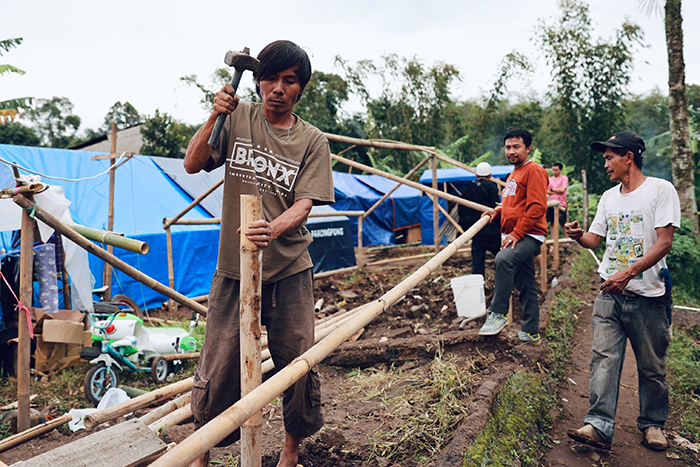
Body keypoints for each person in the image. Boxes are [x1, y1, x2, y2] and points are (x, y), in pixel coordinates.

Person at [183, 40, 334, 467]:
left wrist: (274, 227)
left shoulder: (312, 141)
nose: (278, 88)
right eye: (270, 78)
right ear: (257, 81)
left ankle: (290, 450)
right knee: (216, 364)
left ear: (300, 88)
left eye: (289, 80)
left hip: (288, 268)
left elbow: (304, 204)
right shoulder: (237, 117)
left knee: (297, 362)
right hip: (233, 268)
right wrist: (215, 113)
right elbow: (193, 164)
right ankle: (202, 451)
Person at [565, 130, 680, 452]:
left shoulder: (660, 190)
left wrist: (628, 274)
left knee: (651, 366)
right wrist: (577, 235)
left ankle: (653, 423)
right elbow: (595, 240)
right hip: (609, 293)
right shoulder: (608, 197)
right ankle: (599, 424)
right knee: (603, 359)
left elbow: (664, 242)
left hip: (649, 295)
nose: (606, 164)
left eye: (609, 157)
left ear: (629, 157)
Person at [478, 129, 548, 344]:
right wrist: (496, 212)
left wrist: (517, 233)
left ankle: (498, 314)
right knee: (526, 283)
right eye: (508, 147)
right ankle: (530, 331)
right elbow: (513, 205)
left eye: (516, 147)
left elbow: (537, 207)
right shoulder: (513, 174)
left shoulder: (534, 170)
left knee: (503, 259)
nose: (511, 151)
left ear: (528, 148)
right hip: (515, 233)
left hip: (530, 234)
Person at [458, 161, 501, 276]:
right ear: (490, 175)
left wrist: (466, 227)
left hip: (476, 232)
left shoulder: (469, 188)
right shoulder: (492, 186)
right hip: (492, 231)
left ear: (476, 175)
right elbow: (496, 206)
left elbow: (461, 208)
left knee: (477, 263)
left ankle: (479, 288)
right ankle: (506, 283)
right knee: (502, 258)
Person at [546, 162, 568, 237]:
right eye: (553, 170)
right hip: (551, 203)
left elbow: (562, 190)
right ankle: (553, 241)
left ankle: (567, 240)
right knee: (552, 222)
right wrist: (556, 190)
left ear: (560, 170)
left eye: (556, 170)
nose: (554, 172)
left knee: (563, 223)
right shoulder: (549, 179)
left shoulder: (564, 178)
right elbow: (546, 190)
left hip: (561, 204)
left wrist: (552, 190)